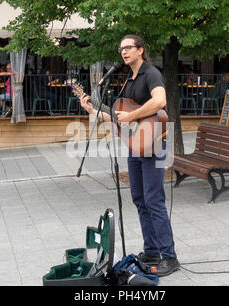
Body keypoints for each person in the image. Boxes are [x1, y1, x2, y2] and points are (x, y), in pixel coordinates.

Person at [79, 34, 179, 277]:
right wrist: (93, 110)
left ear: (140, 50)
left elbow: (160, 101)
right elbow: (120, 118)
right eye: (121, 48)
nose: (123, 52)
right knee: (139, 198)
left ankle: (170, 256)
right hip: (137, 145)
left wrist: (132, 117)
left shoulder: (151, 73)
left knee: (154, 199)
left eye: (128, 48)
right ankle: (152, 250)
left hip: (154, 143)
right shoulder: (129, 80)